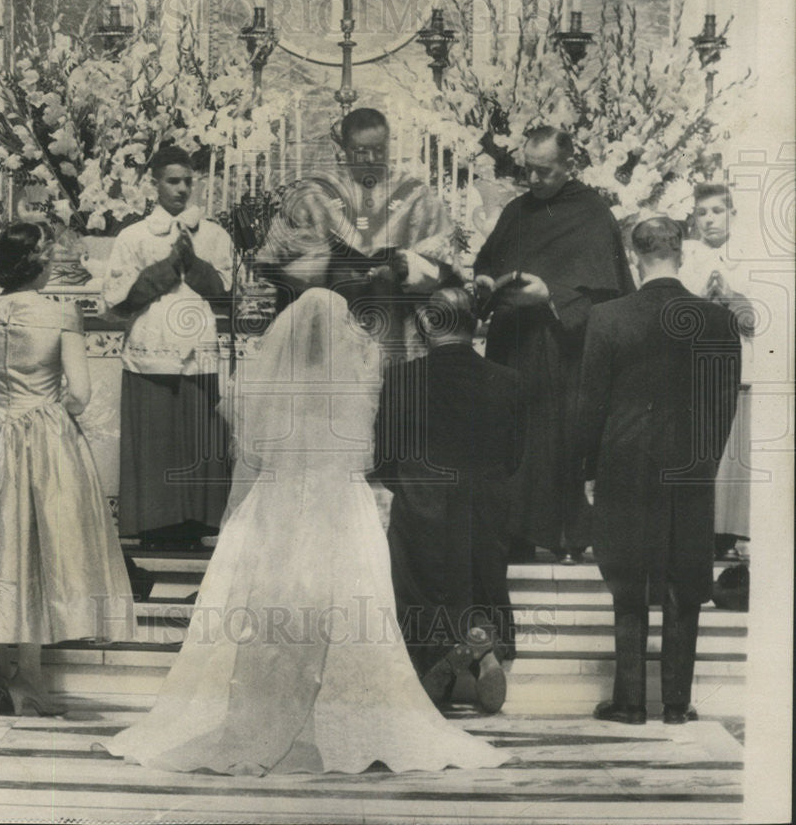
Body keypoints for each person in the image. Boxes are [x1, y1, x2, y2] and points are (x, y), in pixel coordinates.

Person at [98, 289, 506, 775]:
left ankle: (266, 711)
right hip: (341, 501)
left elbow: (246, 453)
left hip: (277, 501)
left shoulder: (267, 377)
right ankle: (348, 714)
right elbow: (370, 455)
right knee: (350, 610)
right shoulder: (357, 373)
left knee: (271, 612)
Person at [0, 221, 133, 716]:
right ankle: (31, 681)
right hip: (46, 438)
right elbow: (79, 395)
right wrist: (48, 409)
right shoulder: (61, 316)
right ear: (40, 265)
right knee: (39, 546)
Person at [577, 217, 740, 725]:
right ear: (681, 254)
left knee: (628, 582)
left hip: (624, 463)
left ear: (635, 257)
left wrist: (588, 468)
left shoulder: (607, 318)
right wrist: (705, 459)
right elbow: (724, 402)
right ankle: (675, 704)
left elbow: (591, 404)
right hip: (690, 465)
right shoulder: (717, 320)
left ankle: (628, 702)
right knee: (684, 582)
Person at [472, 126, 635, 562]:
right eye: (528, 170)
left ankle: (564, 535)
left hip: (561, 350)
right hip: (511, 345)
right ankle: (515, 535)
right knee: (510, 439)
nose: (533, 181)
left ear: (569, 167)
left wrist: (550, 296)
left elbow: (607, 293)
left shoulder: (592, 213)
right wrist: (486, 279)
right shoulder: (516, 211)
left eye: (543, 172)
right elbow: (487, 260)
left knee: (554, 442)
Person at [373, 288, 522, 712]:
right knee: (479, 582)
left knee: (419, 592)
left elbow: (384, 459)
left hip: (422, 504)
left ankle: (436, 665)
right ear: (475, 326)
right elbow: (514, 455)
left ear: (427, 325)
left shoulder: (402, 379)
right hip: (485, 505)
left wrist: (412, 489)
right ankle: (482, 650)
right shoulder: (508, 381)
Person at [103, 145, 234, 548]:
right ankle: (154, 526)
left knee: (198, 438)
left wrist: (194, 264)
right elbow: (116, 299)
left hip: (198, 352)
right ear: (153, 184)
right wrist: (165, 270)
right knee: (155, 440)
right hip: (150, 348)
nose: (181, 189)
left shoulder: (213, 234)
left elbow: (226, 293)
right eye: (172, 181)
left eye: (187, 181)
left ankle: (196, 524)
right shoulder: (133, 236)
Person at [255, 107, 459, 357]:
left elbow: (446, 264)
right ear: (345, 148)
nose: (372, 158)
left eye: (380, 150)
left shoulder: (416, 196)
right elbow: (271, 260)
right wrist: (322, 263)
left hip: (394, 322)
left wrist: (410, 265)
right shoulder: (316, 194)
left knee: (392, 384)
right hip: (328, 326)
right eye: (361, 151)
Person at [680, 183, 755, 560]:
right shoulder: (687, 262)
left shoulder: (748, 260)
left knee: (733, 456)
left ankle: (731, 533)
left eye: (717, 211)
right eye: (702, 213)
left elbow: (759, 321)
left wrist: (727, 296)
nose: (709, 219)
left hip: (738, 370)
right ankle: (700, 532)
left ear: (732, 215)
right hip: (698, 371)